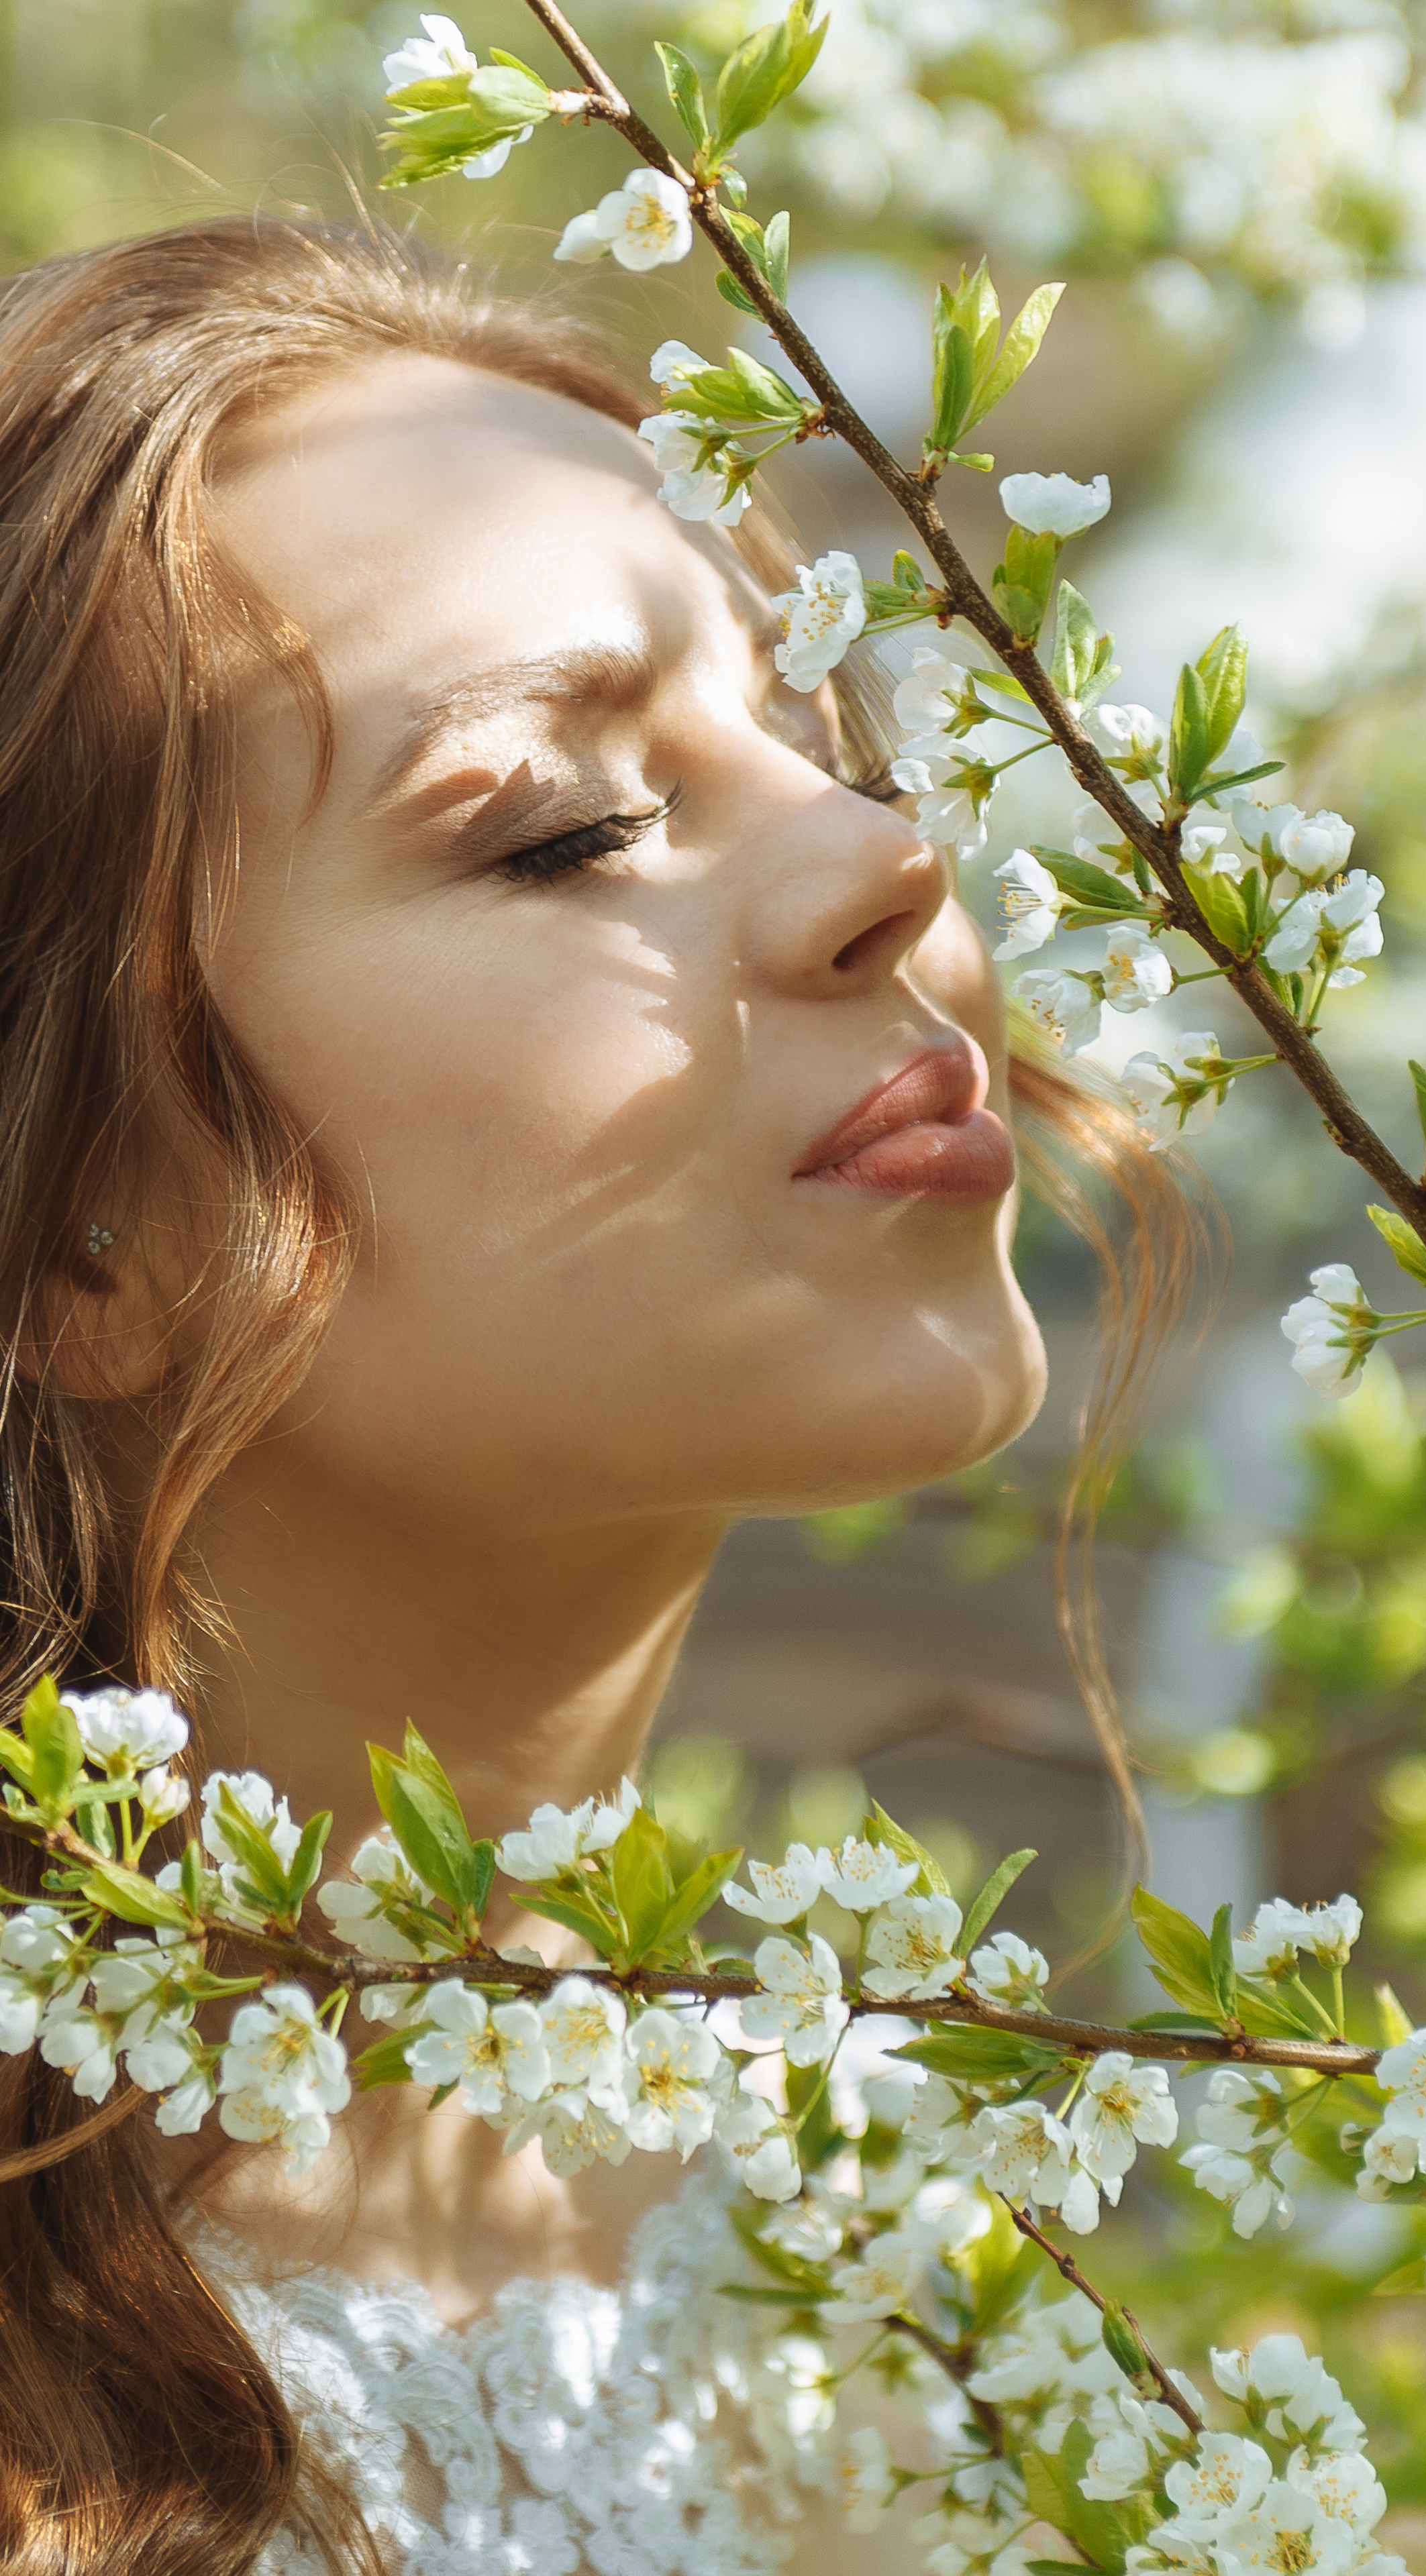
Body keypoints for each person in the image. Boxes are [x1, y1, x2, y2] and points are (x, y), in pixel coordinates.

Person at [0, 215, 1192, 2574]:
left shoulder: (904, 2259)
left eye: (822, 729)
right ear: (73, 1232)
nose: (893, 857)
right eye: (570, 824)